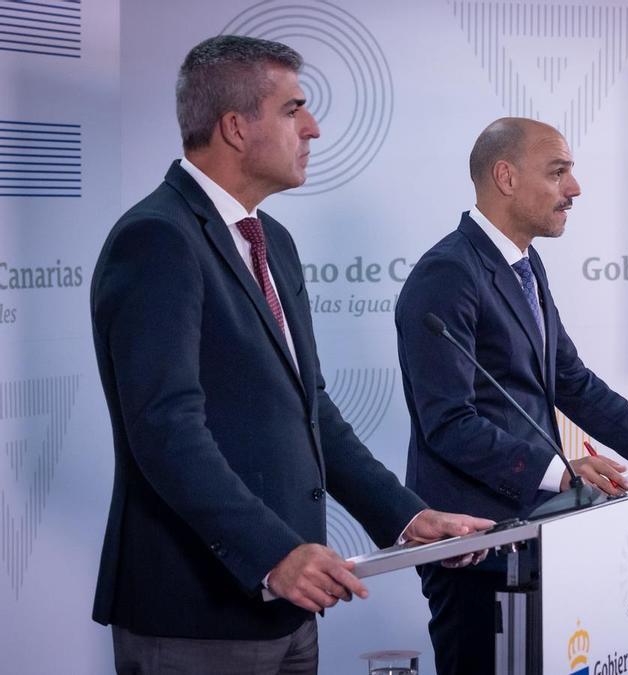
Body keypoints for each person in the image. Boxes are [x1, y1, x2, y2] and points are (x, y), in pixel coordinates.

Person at [90, 35, 492, 674]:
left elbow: (314, 415)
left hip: (285, 604)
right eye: (293, 109)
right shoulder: (156, 239)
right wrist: (274, 555)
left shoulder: (269, 239)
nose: (314, 128)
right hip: (197, 612)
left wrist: (408, 517)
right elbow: (166, 433)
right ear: (234, 127)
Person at [395, 116, 628, 674]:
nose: (575, 189)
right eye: (558, 172)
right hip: (476, 541)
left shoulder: (524, 262)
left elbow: (568, 380)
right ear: (505, 176)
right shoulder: (447, 274)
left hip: (538, 530)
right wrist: (562, 471)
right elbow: (448, 423)